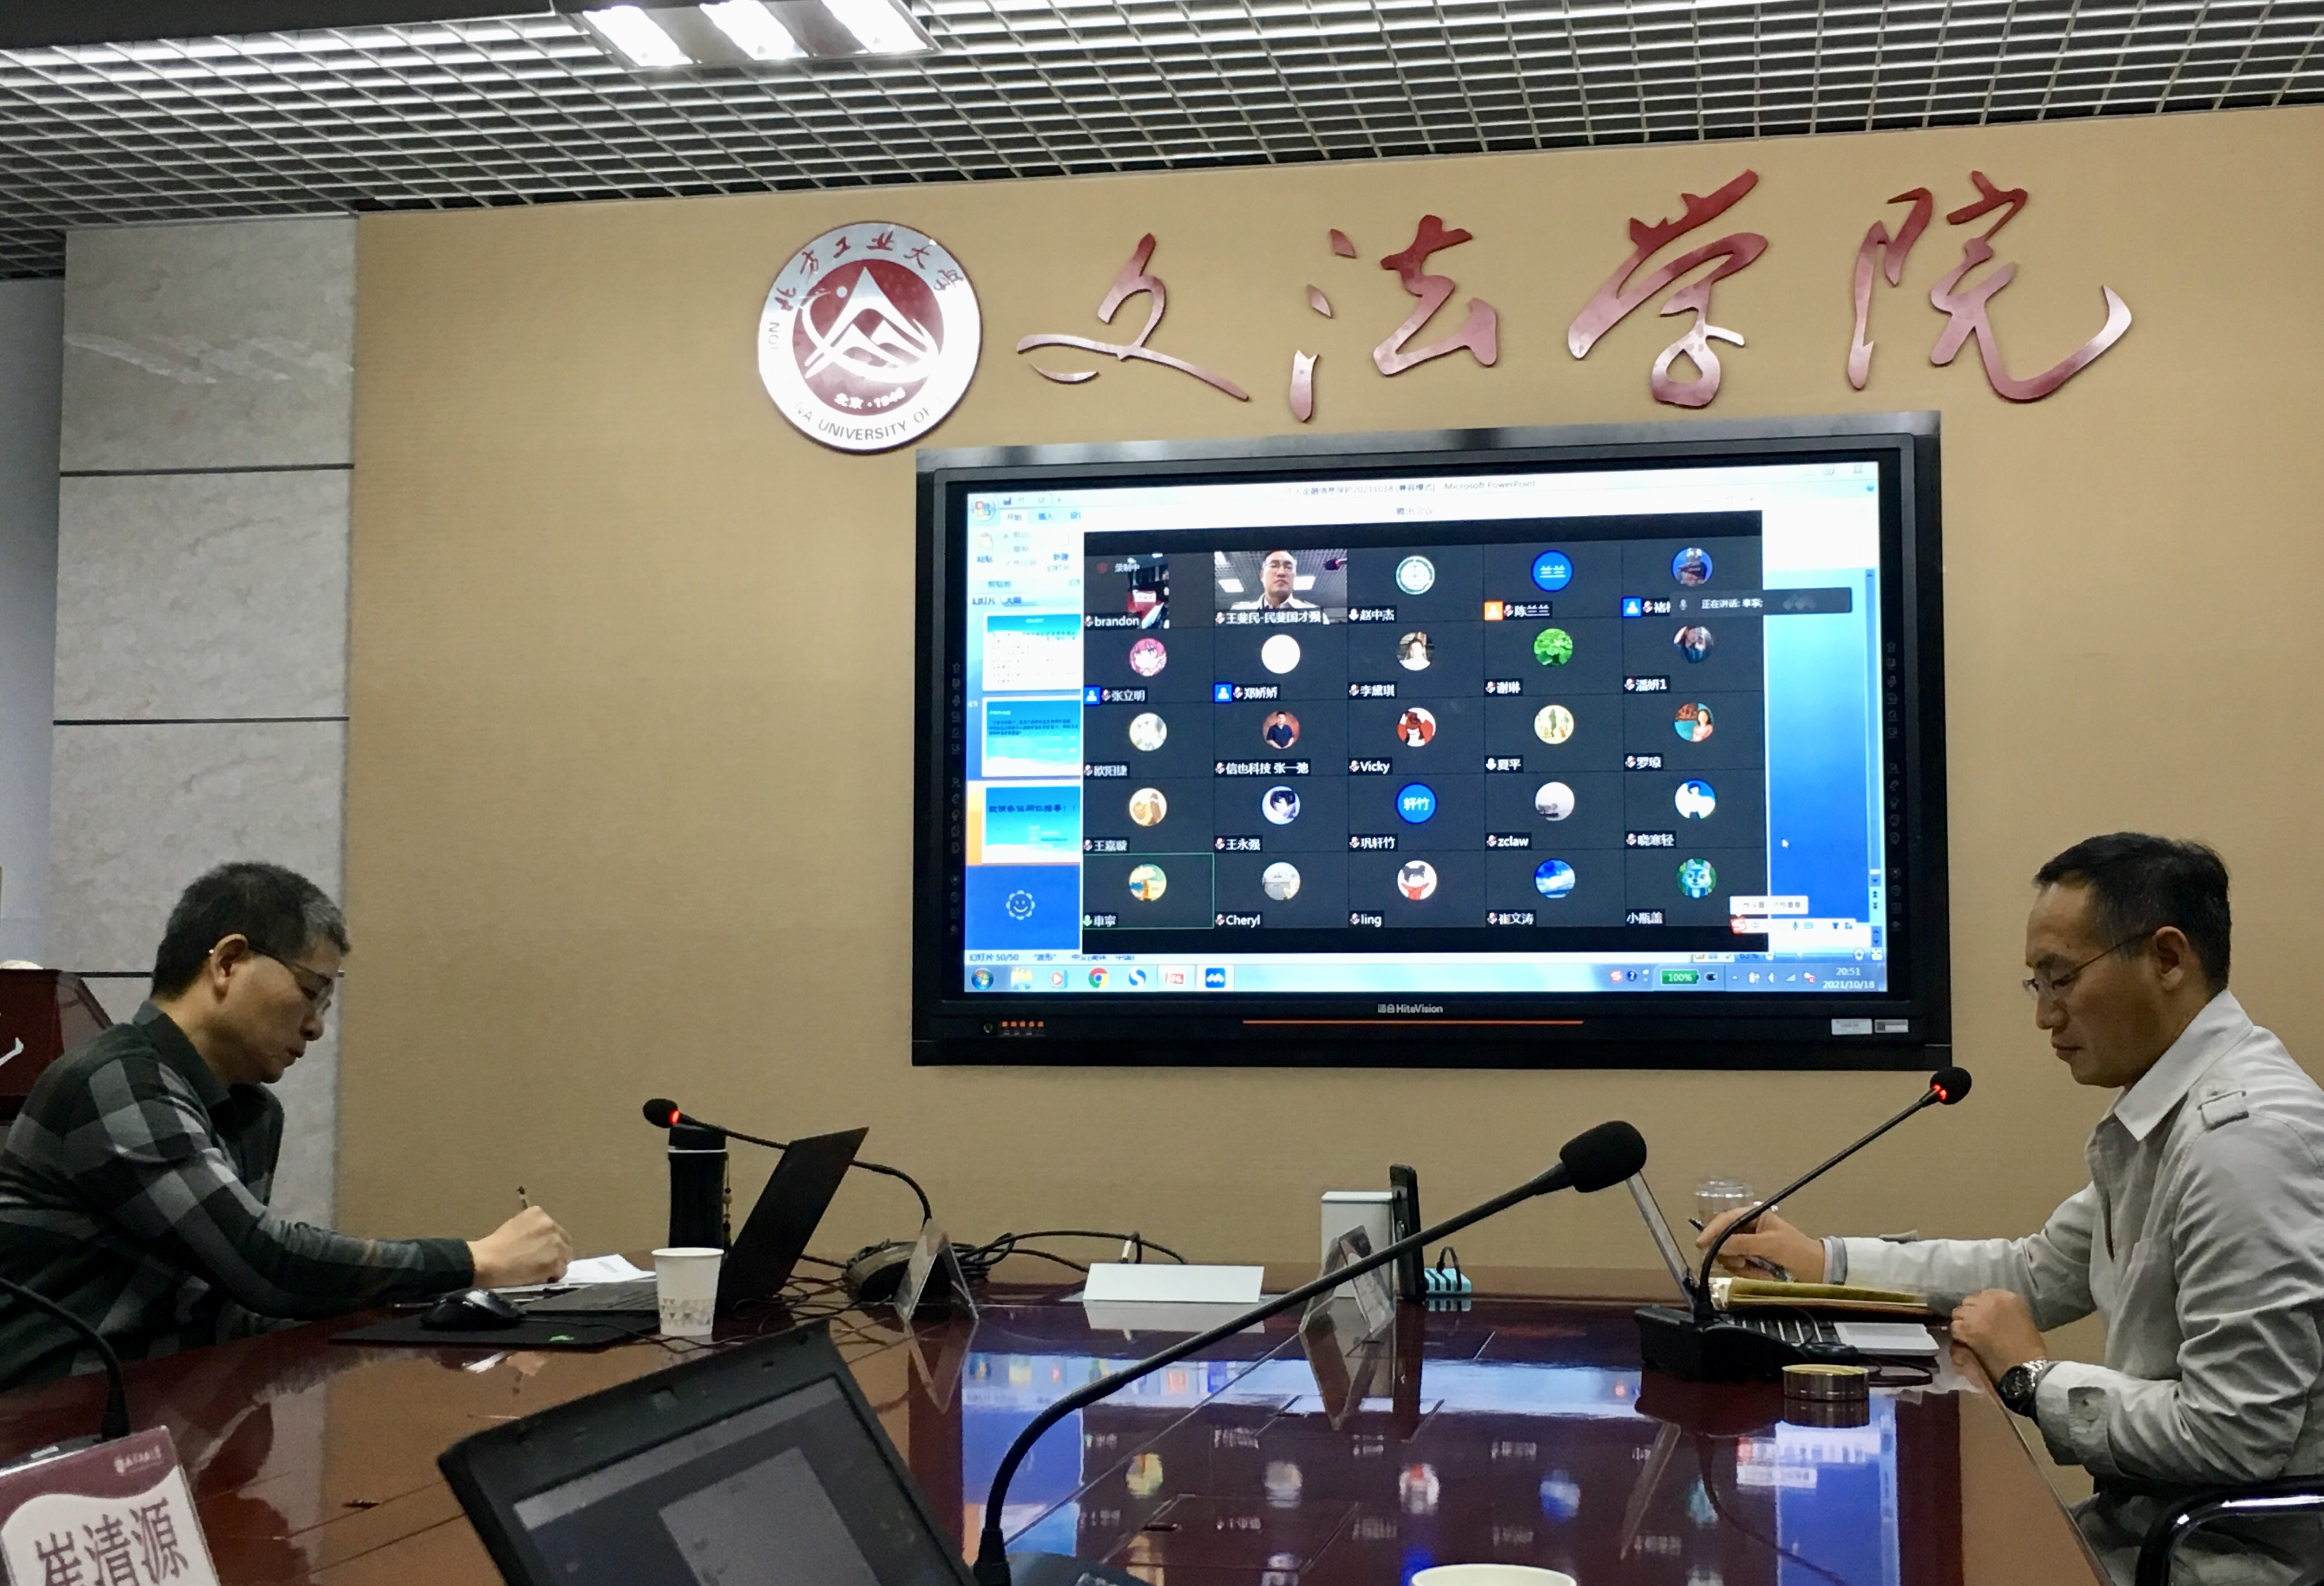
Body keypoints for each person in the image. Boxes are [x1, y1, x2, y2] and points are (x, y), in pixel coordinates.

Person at [1700, 834, 2324, 1584]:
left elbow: (2237, 1435)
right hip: (2145, 1532)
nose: (2046, 1016)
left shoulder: (2243, 1143)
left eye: (2062, 978)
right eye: (2037, 984)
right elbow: (2033, 1270)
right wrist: (1821, 1262)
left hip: (2221, 1561)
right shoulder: (2168, 1118)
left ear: (2167, 959)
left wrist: (2033, 1376)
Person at [0, 862, 573, 1391]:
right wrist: (476, 1261)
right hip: (49, 1421)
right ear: (228, 962)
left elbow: (235, 1306)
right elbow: (263, 1264)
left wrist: (418, 1319)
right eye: (311, 992)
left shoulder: (250, 1112)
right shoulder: (114, 1080)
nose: (317, 1027)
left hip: (164, 1407)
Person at [1231, 549, 1316, 612]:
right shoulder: (1239, 613)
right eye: (1274, 566)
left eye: (1288, 567)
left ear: (1295, 576)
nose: (1281, 573)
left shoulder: (1312, 613)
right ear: (1262, 575)